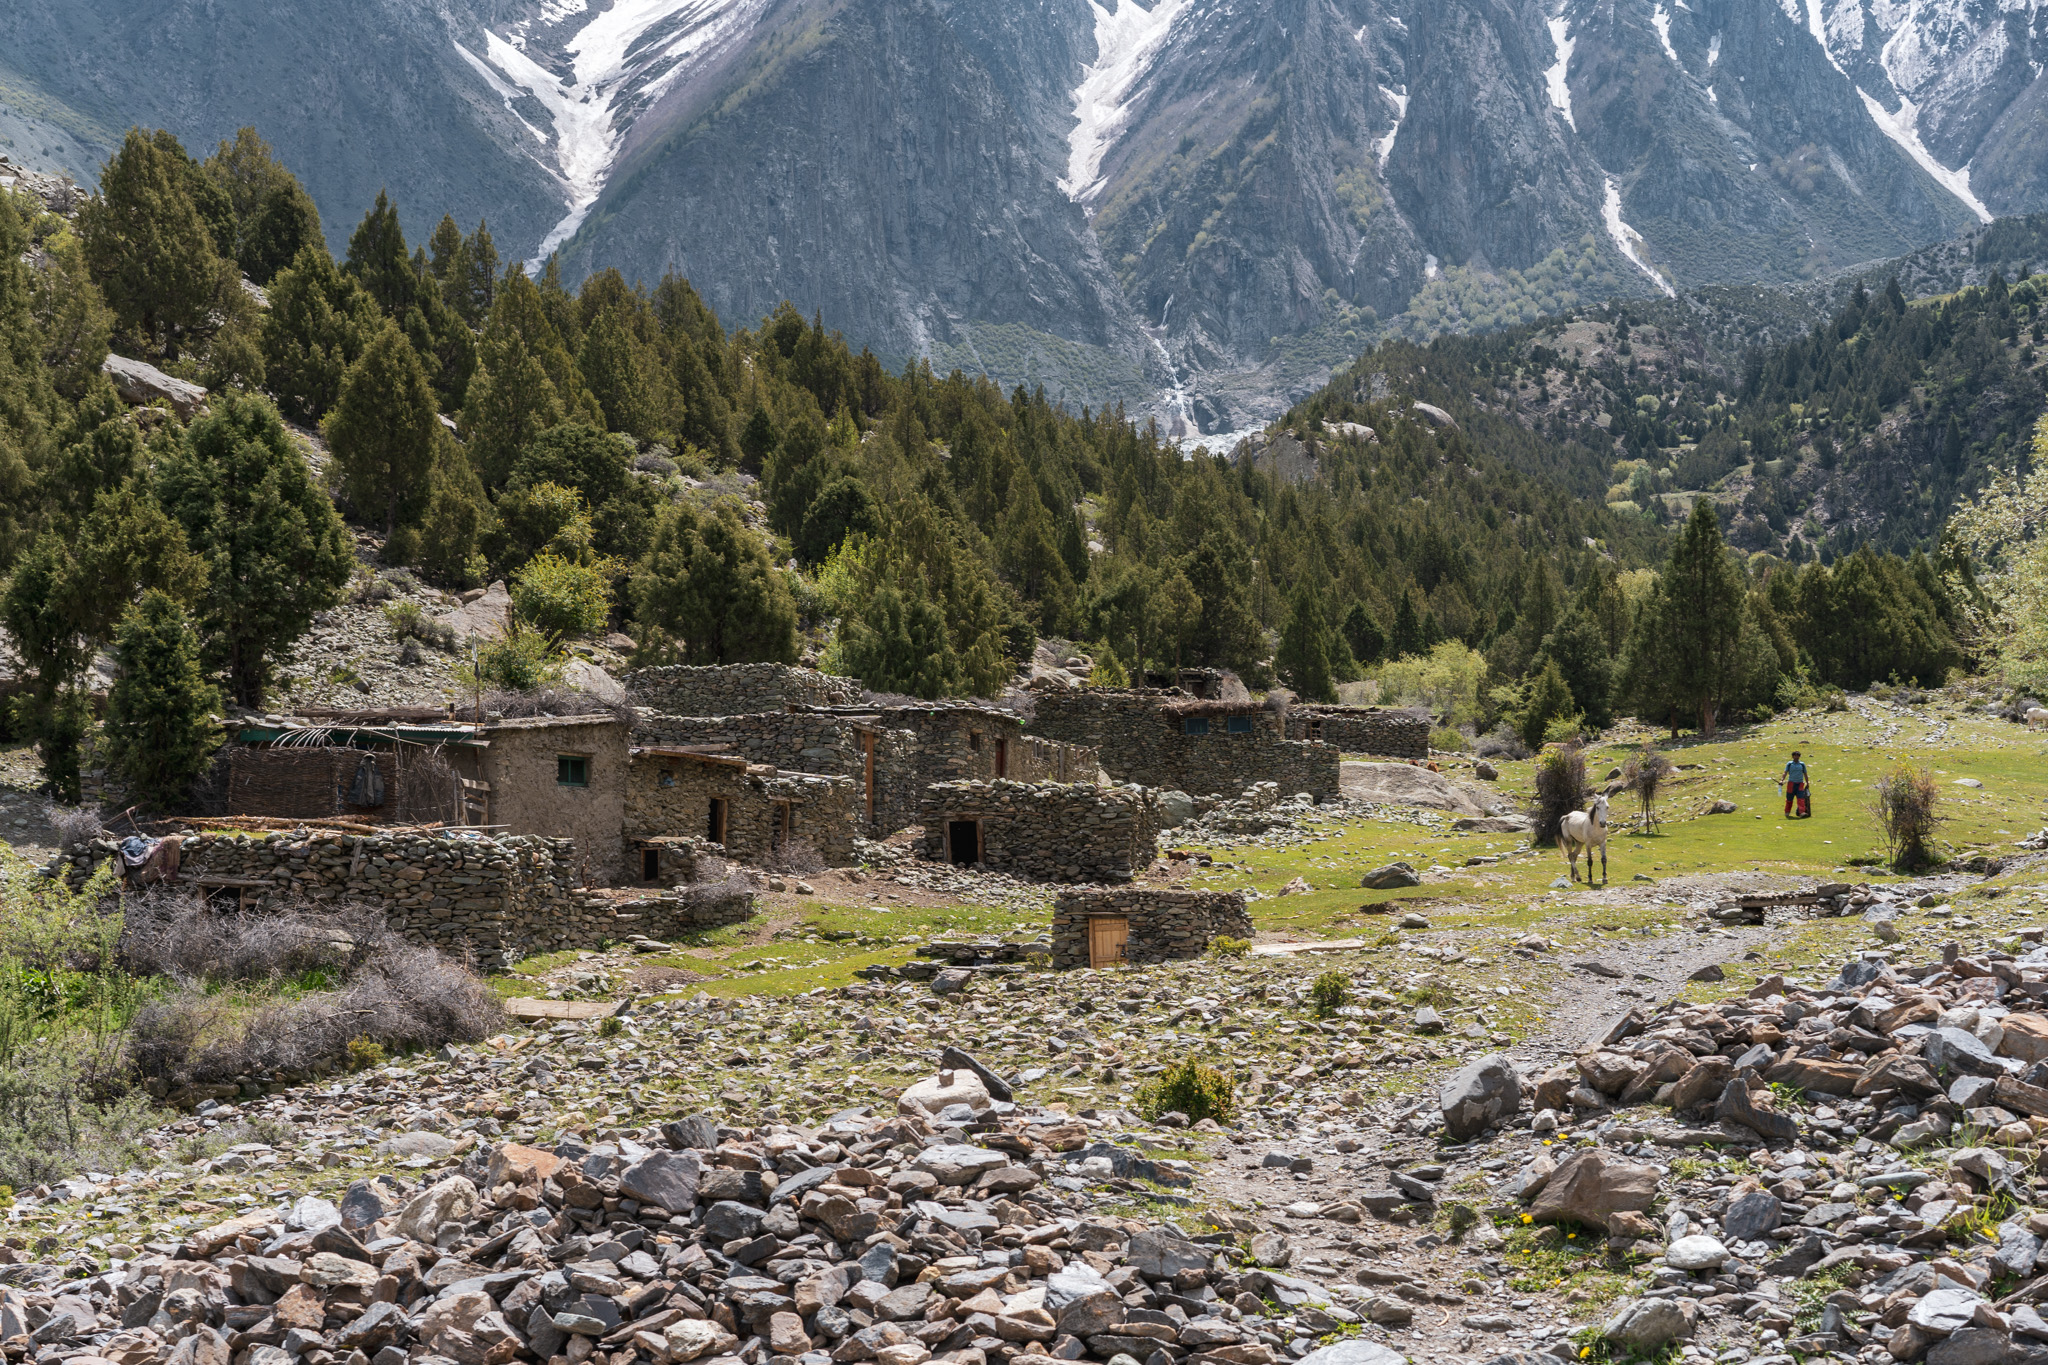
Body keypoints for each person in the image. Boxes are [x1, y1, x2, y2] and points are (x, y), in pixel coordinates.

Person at [1781, 751, 1811, 819]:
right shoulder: (1789, 764)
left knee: (1801, 799)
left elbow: (1805, 774)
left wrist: (1807, 782)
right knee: (1789, 799)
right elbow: (1785, 773)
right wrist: (1781, 780)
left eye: (1798, 756)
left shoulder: (1802, 764)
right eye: (1795, 755)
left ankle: (1802, 812)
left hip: (1800, 783)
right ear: (1793, 756)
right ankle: (1787, 812)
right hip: (1791, 783)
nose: (1796, 757)